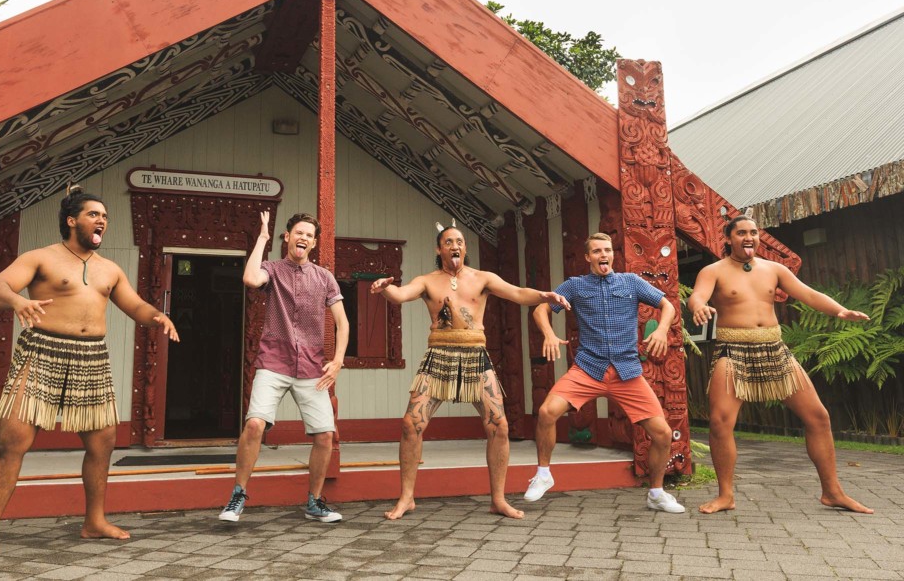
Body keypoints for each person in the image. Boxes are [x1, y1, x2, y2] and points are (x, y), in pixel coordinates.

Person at [0, 187, 179, 565]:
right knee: (12, 440)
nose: (102, 220)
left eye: (105, 216)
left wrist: (158, 316)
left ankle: (94, 520)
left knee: (103, 441)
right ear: (72, 220)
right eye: (93, 214)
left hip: (91, 357)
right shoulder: (41, 257)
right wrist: (19, 300)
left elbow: (134, 305)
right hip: (43, 351)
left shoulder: (110, 269)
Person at [371, 220, 567, 520]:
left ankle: (498, 499)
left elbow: (517, 293)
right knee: (411, 424)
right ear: (439, 249)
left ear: (465, 249)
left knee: (499, 426)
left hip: (475, 355)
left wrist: (544, 295)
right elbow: (401, 295)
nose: (455, 246)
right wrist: (386, 289)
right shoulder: (427, 281)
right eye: (449, 242)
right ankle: (407, 498)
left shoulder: (482, 278)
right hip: (439, 355)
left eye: (460, 242)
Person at [688, 215, 873, 514]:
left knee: (818, 417)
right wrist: (699, 307)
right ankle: (725, 495)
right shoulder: (713, 271)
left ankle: (832, 492)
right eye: (741, 233)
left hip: (774, 348)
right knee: (720, 422)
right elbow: (697, 296)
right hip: (733, 349)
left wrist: (839, 311)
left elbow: (808, 294)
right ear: (728, 239)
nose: (749, 237)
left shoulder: (774, 269)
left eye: (753, 232)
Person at [524, 232, 686, 514]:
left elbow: (667, 305)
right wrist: (548, 334)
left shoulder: (631, 282)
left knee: (662, 434)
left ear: (613, 255)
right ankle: (544, 474)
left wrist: (662, 330)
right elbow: (540, 309)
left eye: (607, 250)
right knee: (547, 412)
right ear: (588, 257)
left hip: (627, 371)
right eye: (597, 251)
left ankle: (657, 493)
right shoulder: (575, 286)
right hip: (589, 368)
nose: (603, 255)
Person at [219, 211, 350, 524]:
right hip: (274, 360)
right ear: (288, 237)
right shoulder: (272, 270)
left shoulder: (325, 278)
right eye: (298, 233)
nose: (303, 238)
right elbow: (250, 279)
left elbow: (343, 323)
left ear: (313, 243)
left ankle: (314, 502)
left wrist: (337, 361)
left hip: (312, 366)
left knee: (325, 435)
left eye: (309, 235)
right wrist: (262, 237)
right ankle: (238, 496)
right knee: (254, 424)